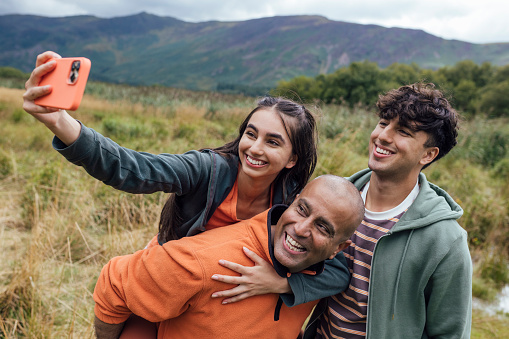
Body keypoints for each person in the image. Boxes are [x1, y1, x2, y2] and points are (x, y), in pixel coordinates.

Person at [23, 52, 351, 329]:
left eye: (273, 141)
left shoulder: (296, 204)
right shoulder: (206, 169)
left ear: (292, 159)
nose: (254, 148)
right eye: (251, 134)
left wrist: (284, 283)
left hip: (213, 298)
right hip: (168, 278)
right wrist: (60, 123)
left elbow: (336, 269)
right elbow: (133, 169)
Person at [93, 175, 365, 339]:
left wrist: (286, 286)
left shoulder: (318, 271)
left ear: (337, 249)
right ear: (291, 202)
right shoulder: (203, 261)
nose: (302, 229)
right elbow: (113, 283)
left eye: (322, 227)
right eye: (302, 210)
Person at [303, 83, 472, 338]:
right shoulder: (334, 201)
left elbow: (450, 332)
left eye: (403, 131)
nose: (383, 136)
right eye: (383, 123)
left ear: (428, 154)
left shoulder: (445, 240)